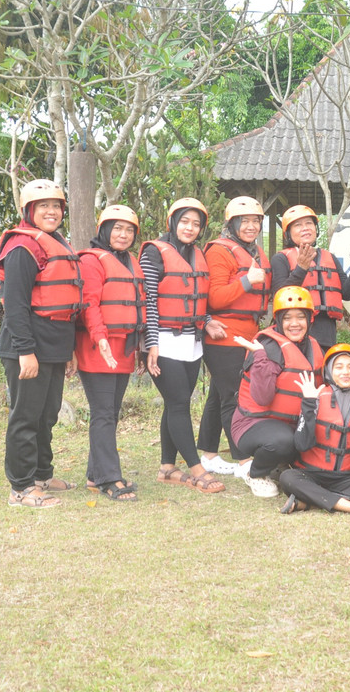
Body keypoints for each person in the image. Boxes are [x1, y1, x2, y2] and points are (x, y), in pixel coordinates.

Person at [0, 178, 84, 508]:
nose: (51, 211)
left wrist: (69, 350)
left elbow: (66, 305)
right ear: (27, 210)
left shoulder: (56, 242)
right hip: (27, 346)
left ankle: (41, 474)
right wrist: (25, 352)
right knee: (26, 417)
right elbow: (15, 304)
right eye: (42, 205)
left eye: (56, 206)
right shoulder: (22, 248)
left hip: (54, 344)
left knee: (47, 415)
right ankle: (20, 488)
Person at [140, 197, 226, 494]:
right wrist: (150, 344)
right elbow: (148, 301)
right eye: (185, 222)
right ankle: (196, 468)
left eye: (196, 224)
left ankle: (166, 467)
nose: (190, 228)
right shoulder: (154, 252)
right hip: (162, 340)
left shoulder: (196, 254)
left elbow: (195, 296)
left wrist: (207, 320)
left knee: (175, 402)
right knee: (178, 403)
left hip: (192, 341)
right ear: (173, 222)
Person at [278, 344, 350, 519]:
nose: (345, 372)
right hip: (312, 473)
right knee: (287, 477)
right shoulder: (316, 397)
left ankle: (308, 501)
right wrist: (308, 403)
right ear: (329, 371)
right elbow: (302, 444)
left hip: (347, 478)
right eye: (339, 366)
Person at [197, 196, 272, 476]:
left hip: (250, 332)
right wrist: (246, 281)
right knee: (233, 397)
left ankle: (209, 454)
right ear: (232, 223)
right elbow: (213, 298)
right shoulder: (219, 251)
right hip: (224, 334)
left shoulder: (256, 253)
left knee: (218, 395)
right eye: (245, 221)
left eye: (256, 221)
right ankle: (243, 460)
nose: (251, 226)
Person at [75, 205, 145, 502]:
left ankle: (95, 474)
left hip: (123, 349)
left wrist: (141, 348)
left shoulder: (131, 261)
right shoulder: (92, 261)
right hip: (97, 348)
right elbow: (89, 303)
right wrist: (101, 338)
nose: (123, 234)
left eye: (129, 230)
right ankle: (109, 477)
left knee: (111, 414)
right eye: (117, 228)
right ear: (104, 230)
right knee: (103, 413)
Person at [231, 287, 325, 498]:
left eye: (301, 317)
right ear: (279, 320)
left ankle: (280, 464)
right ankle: (253, 473)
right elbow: (262, 398)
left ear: (310, 319)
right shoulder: (270, 347)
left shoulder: (312, 345)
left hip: (291, 422)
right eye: (288, 318)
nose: (294, 324)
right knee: (284, 441)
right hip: (253, 423)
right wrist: (261, 359)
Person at [269, 204, 350, 351]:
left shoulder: (329, 257)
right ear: (288, 233)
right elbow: (279, 296)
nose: (305, 228)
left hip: (327, 335)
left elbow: (347, 293)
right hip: (295, 334)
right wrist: (301, 268)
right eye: (298, 225)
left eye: (309, 223)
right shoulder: (280, 259)